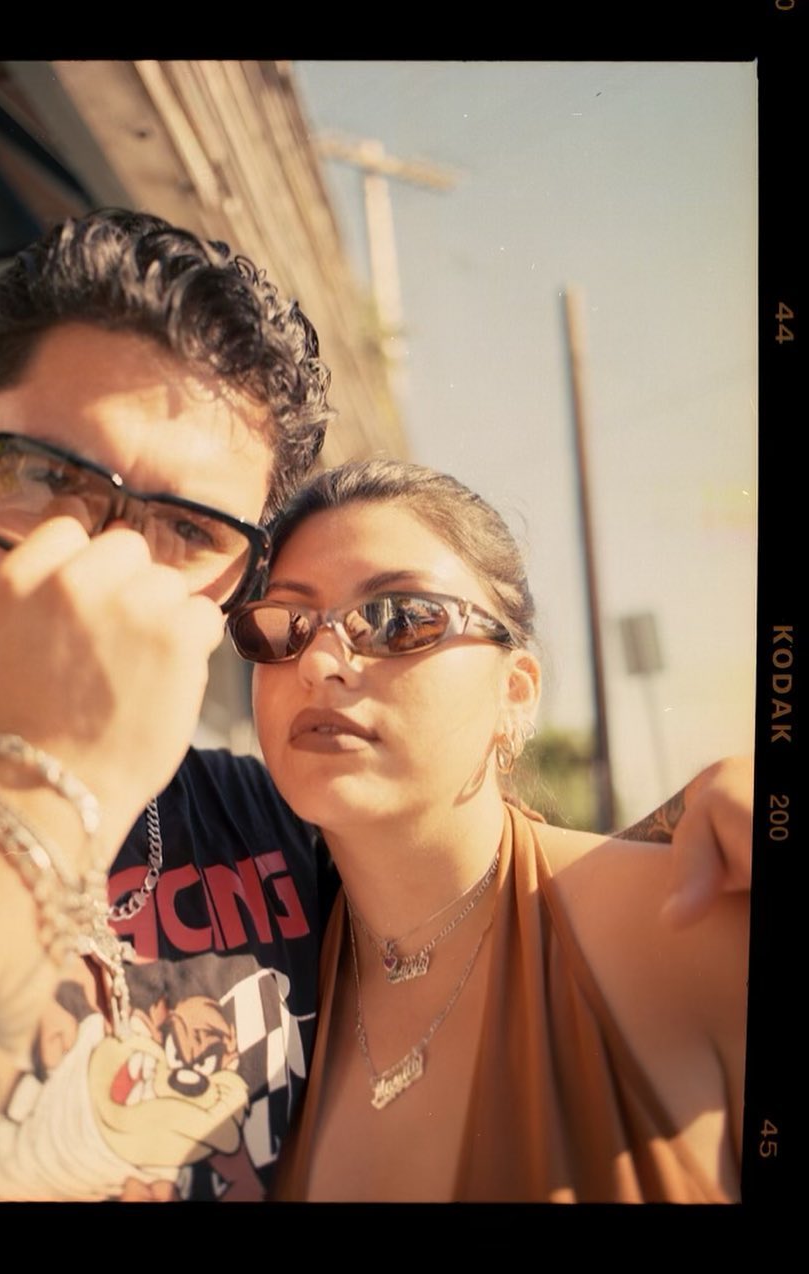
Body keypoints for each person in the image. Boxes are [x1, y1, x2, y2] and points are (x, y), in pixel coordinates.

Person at [0, 209, 750, 1203]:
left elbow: (477, 911)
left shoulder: (268, 821)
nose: (107, 565)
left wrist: (698, 815)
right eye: (54, 479)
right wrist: (53, 777)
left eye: (189, 530)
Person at [226, 459, 749, 1202]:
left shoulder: (681, 925)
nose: (319, 662)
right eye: (285, 626)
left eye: (398, 618)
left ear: (516, 693)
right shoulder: (258, 989)